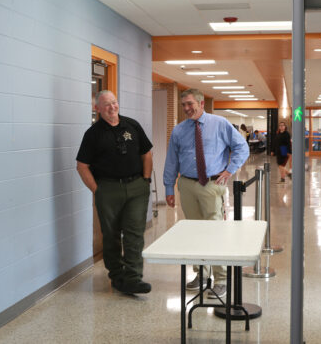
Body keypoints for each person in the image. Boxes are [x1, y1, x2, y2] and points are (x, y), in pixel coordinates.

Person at [164, 88, 249, 299]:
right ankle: (201, 274)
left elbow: (242, 147)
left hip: (212, 185)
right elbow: (171, 161)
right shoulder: (179, 130)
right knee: (193, 231)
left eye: (189, 104)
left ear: (201, 104)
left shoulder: (219, 124)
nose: (186, 108)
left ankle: (221, 279)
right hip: (187, 185)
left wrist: (230, 170)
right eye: (183, 104)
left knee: (215, 231)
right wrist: (168, 187)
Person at [76, 90, 153, 295]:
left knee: (134, 233)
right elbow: (82, 166)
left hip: (137, 186)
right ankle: (117, 276)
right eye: (107, 104)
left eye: (115, 102)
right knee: (110, 235)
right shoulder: (92, 134)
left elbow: (146, 153)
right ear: (97, 108)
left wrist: (146, 181)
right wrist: (97, 190)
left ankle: (134, 278)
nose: (112, 107)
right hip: (107, 189)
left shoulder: (132, 125)